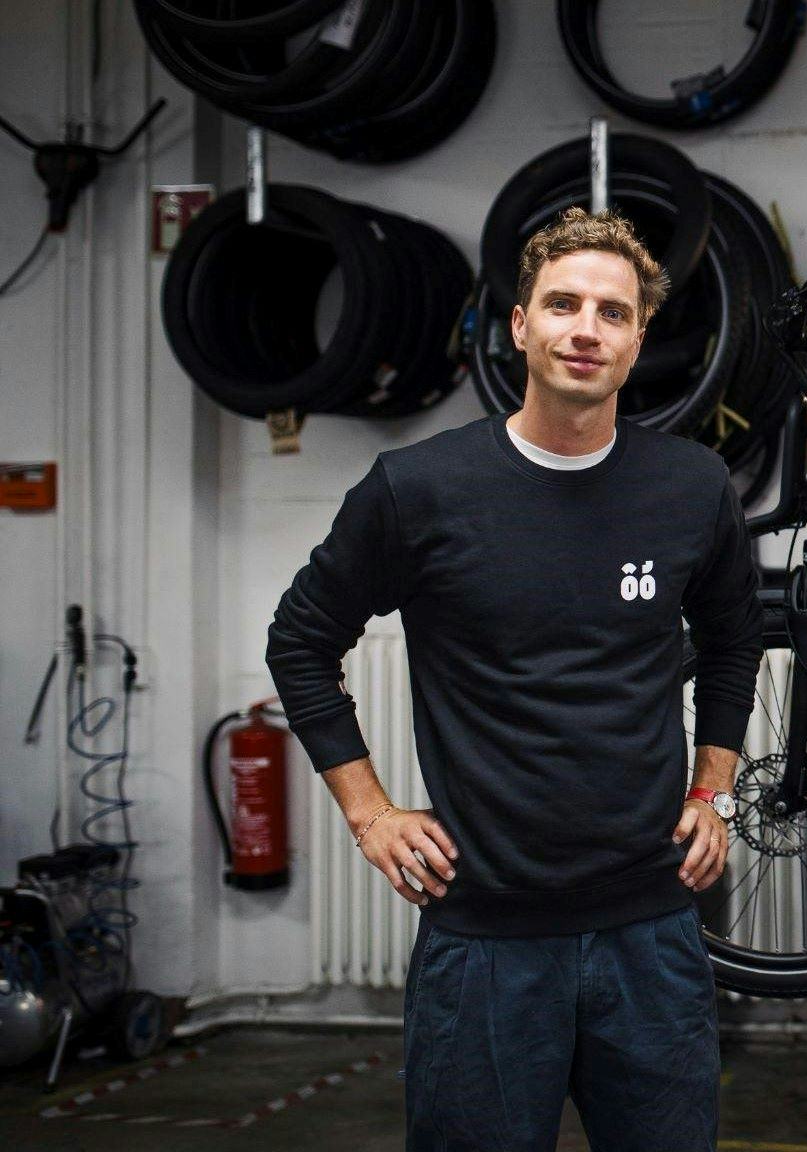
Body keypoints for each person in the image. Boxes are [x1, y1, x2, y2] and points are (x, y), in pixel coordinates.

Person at [267, 208, 764, 1151]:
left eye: (612, 313)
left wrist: (716, 789)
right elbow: (300, 641)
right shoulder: (418, 490)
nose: (587, 328)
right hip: (485, 940)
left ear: (637, 338)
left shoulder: (692, 486)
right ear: (521, 325)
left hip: (652, 934)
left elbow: (735, 638)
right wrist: (370, 811)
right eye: (563, 303)